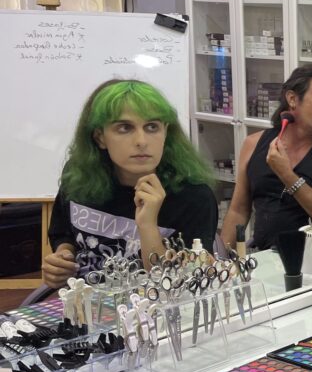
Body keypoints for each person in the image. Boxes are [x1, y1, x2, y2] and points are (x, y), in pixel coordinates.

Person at [42, 80, 217, 289]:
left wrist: (148, 226)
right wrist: (63, 258)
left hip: (152, 305)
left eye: (152, 127)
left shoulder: (194, 197)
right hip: (84, 302)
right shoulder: (79, 175)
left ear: (166, 133)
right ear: (100, 138)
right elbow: (63, 233)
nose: (141, 141)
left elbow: (180, 286)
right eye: (125, 128)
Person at [220, 64, 312, 251]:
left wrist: (287, 175)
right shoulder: (253, 144)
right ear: (292, 99)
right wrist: (221, 259)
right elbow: (238, 211)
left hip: (310, 260)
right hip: (263, 256)